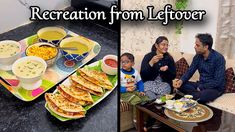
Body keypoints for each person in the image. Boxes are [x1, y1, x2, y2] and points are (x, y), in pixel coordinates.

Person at [173, 33, 226, 103]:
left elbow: (218, 82)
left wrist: (201, 87)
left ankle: (196, 95)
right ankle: (195, 95)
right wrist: (181, 81)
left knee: (203, 96)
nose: (195, 47)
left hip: (214, 88)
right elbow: (190, 71)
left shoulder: (219, 58)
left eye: (197, 45)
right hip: (200, 84)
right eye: (195, 44)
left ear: (206, 47)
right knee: (180, 85)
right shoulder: (197, 56)